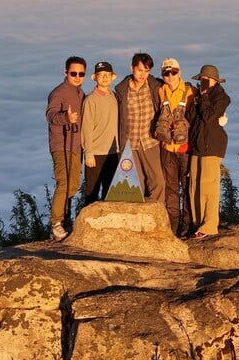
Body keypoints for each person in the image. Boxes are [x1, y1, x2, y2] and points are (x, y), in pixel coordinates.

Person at [115, 52, 166, 203]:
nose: (143, 74)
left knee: (157, 180)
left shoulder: (155, 86)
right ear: (132, 68)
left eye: (147, 70)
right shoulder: (122, 90)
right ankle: (138, 219)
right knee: (135, 183)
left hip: (149, 140)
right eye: (140, 70)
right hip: (130, 143)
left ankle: (156, 216)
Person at [45, 56, 86, 241]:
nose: (77, 76)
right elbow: (51, 115)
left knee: (73, 184)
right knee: (64, 182)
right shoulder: (59, 93)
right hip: (61, 144)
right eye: (74, 73)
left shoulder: (80, 93)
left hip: (76, 145)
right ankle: (56, 223)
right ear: (66, 73)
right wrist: (65, 118)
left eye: (81, 73)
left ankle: (63, 219)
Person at [188, 64, 230, 238]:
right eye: (201, 80)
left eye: (206, 80)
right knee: (194, 186)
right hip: (197, 145)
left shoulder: (222, 98)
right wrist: (197, 99)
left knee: (208, 187)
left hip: (212, 146)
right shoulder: (198, 97)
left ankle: (210, 225)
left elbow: (208, 117)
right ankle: (198, 224)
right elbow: (191, 117)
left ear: (215, 81)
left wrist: (204, 97)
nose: (203, 83)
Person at [155, 58, 196, 236]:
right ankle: (172, 224)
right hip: (166, 148)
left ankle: (187, 225)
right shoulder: (160, 91)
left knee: (187, 187)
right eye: (166, 73)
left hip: (185, 149)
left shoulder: (190, 91)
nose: (170, 76)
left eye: (174, 72)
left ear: (179, 72)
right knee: (171, 189)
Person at [81, 61, 120, 205]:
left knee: (110, 192)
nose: (104, 78)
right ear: (95, 78)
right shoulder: (90, 100)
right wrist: (88, 152)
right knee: (92, 192)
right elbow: (86, 127)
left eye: (107, 75)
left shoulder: (115, 97)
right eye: (101, 75)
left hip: (113, 152)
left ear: (112, 77)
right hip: (95, 153)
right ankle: (89, 225)